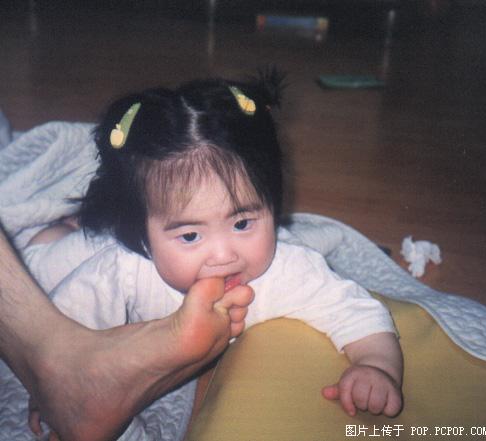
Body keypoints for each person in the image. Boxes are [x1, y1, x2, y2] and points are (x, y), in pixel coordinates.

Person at [22, 73, 403, 438]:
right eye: (190, 235)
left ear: (273, 205)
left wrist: (375, 365)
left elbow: (357, 312)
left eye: (242, 223)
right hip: (82, 252)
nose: (223, 255)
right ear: (143, 235)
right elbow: (63, 334)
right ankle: (62, 228)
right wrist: (52, 387)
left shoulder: (290, 270)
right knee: (39, 266)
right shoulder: (121, 270)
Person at [0, 226, 252, 441]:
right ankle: (58, 366)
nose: (222, 255)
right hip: (40, 257)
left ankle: (60, 368)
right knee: (60, 245)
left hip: (51, 253)